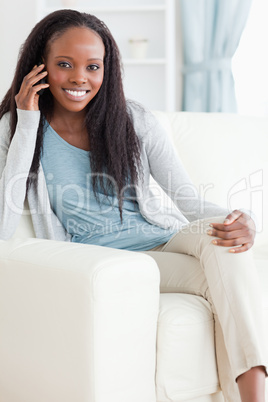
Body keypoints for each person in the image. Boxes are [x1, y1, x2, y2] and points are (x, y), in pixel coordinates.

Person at [0, 9, 266, 401]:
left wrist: (242, 220)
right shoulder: (15, 127)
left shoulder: (133, 119)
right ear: (39, 67)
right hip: (111, 262)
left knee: (227, 243)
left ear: (107, 70)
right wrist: (25, 121)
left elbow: (185, 198)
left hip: (165, 237)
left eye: (93, 66)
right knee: (233, 272)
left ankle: (254, 393)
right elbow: (4, 226)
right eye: (64, 65)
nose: (79, 78)